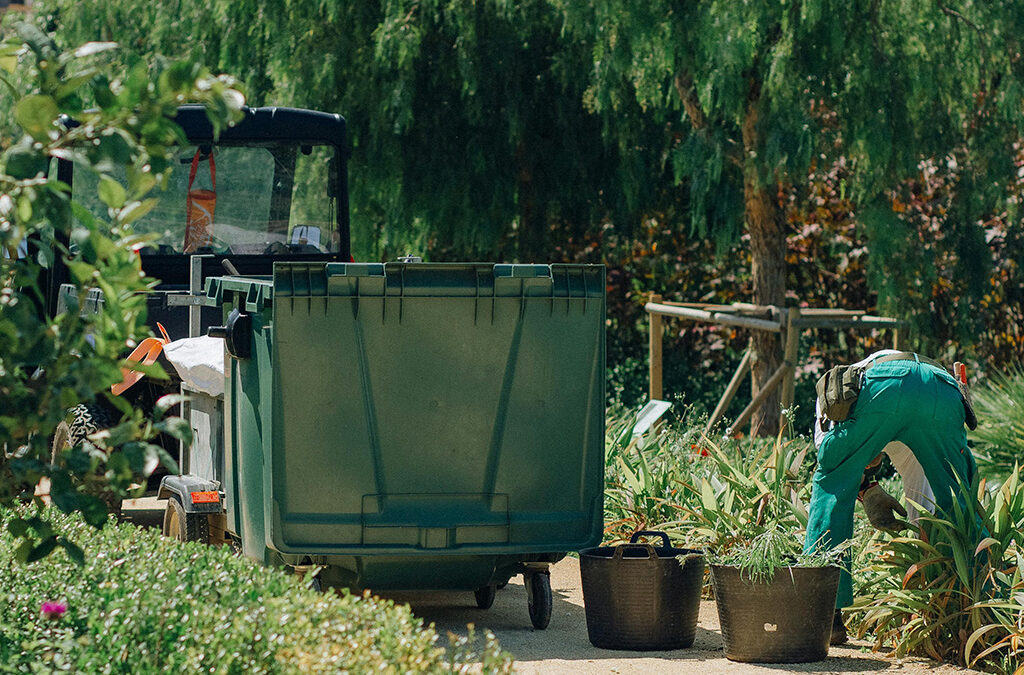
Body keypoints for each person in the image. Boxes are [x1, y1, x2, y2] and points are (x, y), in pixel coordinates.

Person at [804, 351, 977, 645]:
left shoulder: (833, 400)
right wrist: (869, 491)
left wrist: (861, 486)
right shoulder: (904, 444)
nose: (869, 465)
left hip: (884, 387)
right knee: (953, 503)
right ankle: (967, 608)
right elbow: (923, 504)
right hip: (941, 391)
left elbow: (839, 469)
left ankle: (824, 615)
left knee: (831, 482)